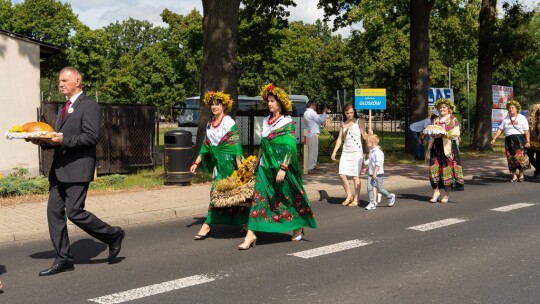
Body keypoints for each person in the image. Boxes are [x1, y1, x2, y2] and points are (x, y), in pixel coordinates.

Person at [29, 67, 125, 276]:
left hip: (78, 168)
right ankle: (63, 258)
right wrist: (42, 141)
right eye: (59, 81)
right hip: (59, 169)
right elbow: (57, 139)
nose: (60, 84)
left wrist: (64, 140)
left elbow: (91, 137)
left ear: (78, 81)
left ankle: (113, 235)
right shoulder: (63, 107)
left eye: (64, 80)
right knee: (54, 213)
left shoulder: (88, 105)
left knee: (75, 212)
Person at [238, 83, 317, 250]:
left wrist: (283, 168)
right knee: (259, 200)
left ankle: (297, 226)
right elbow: (263, 144)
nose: (270, 104)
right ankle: (251, 233)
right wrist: (256, 163)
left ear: (280, 103)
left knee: (287, 198)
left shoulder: (286, 121)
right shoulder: (266, 120)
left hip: (281, 168)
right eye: (268, 101)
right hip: (265, 169)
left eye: (273, 101)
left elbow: (289, 147)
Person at [190, 91, 249, 240]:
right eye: (212, 104)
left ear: (224, 106)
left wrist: (241, 169)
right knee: (232, 196)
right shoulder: (210, 123)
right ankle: (245, 222)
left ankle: (207, 225)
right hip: (219, 165)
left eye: (218, 104)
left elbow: (235, 147)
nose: (214, 106)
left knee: (220, 193)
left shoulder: (229, 122)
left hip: (230, 166)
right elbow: (206, 146)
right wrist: (196, 162)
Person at [330, 103, 369, 207]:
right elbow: (339, 138)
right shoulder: (343, 123)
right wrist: (334, 151)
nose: (349, 115)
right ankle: (349, 196)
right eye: (347, 113)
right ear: (344, 113)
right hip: (346, 152)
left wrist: (369, 135)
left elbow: (364, 136)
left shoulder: (359, 121)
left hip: (357, 152)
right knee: (342, 174)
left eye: (351, 112)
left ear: (354, 112)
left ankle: (357, 199)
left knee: (355, 177)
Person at [428, 98, 464, 203]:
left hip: (448, 146)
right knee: (433, 168)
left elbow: (456, 133)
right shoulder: (436, 120)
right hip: (436, 146)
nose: (442, 109)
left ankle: (446, 194)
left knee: (446, 169)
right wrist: (431, 133)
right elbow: (433, 133)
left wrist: (445, 133)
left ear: (448, 109)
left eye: (444, 107)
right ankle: (436, 191)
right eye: (440, 107)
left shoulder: (452, 119)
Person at [490, 100, 531, 182]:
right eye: (509, 108)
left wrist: (528, 141)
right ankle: (514, 176)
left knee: (521, 158)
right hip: (509, 141)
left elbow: (526, 131)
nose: (510, 109)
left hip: (519, 140)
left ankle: (521, 174)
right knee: (510, 158)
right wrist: (494, 139)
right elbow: (500, 129)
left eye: (512, 108)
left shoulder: (521, 118)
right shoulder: (506, 119)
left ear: (517, 109)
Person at [362, 134, 396, 210]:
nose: (366, 144)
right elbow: (370, 163)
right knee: (369, 188)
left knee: (379, 189)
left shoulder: (378, 152)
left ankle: (390, 196)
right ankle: (372, 203)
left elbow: (378, 164)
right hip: (371, 174)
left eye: (367, 143)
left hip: (378, 174)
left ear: (372, 143)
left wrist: (375, 173)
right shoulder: (371, 152)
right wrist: (366, 167)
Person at [303, 100, 329, 173]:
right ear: (311, 105)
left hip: (309, 132)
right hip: (313, 133)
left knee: (310, 151)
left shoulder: (305, 113)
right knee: (313, 151)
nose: (316, 107)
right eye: (315, 105)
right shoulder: (312, 112)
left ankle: (309, 166)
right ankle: (312, 167)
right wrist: (324, 112)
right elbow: (320, 120)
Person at [527, 103, 540, 179]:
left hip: (538, 142)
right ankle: (538, 169)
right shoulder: (530, 119)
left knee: (539, 158)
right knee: (530, 156)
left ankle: (538, 171)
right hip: (531, 141)